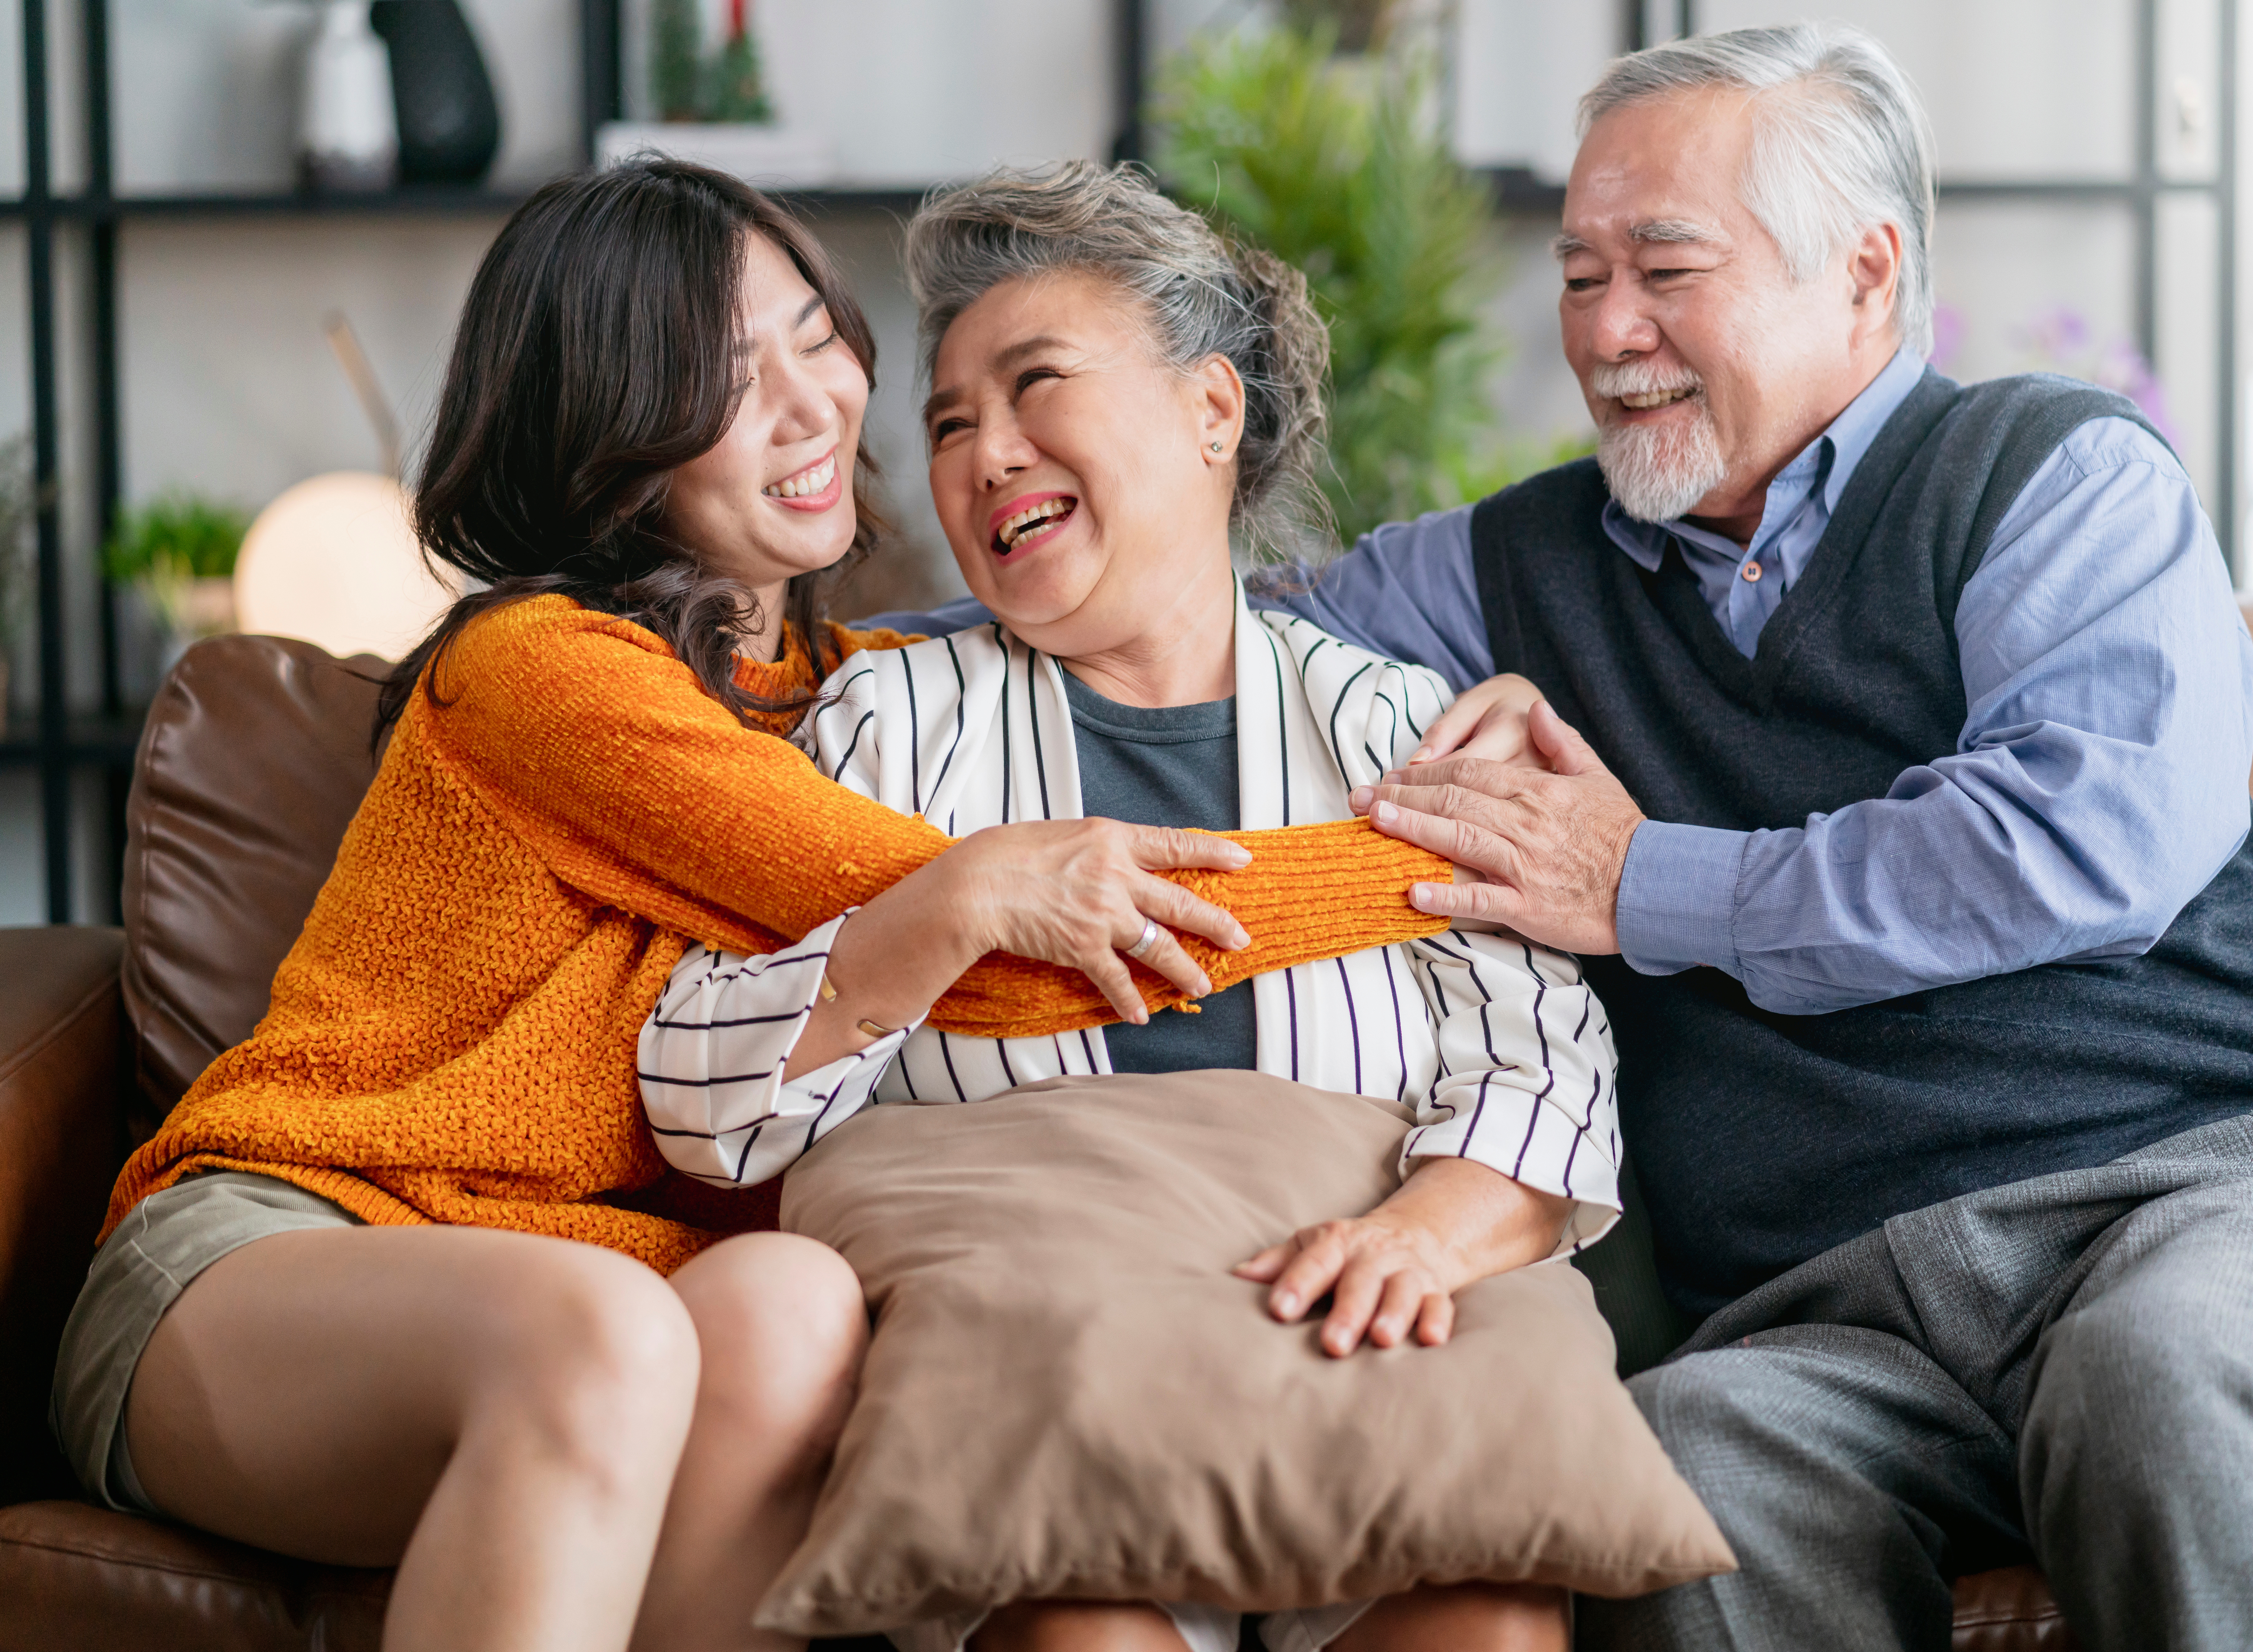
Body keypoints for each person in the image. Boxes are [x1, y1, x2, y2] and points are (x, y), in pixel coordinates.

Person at [51, 160, 1462, 1652]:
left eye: (817, 335)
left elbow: (1182, 602)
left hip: (613, 1308)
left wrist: (1457, 733)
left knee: (794, 1295)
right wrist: (1449, 864)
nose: (812, 408)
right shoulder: (549, 671)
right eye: (725, 381)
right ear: (614, 436)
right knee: (599, 1337)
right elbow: (992, 957)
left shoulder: (852, 693)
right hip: (276, 1260)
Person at [1255, 24, 2253, 1652]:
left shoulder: (2052, 476)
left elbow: (2076, 836)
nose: (1607, 332)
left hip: (2201, 1206)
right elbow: (1192, 647)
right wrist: (821, 661)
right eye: (1581, 273)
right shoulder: (1510, 569)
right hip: (1830, 1317)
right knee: (1678, 1487)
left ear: (1866, 275)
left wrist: (1641, 881)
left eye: (1667, 270)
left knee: (2155, 1385)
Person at [638, 161, 1610, 1652]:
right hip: (1050, 1414)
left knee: (1486, 1617)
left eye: (1036, 387)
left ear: (1210, 413)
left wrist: (1422, 1237)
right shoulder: (885, 730)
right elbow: (700, 1094)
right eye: (950, 424)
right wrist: (950, 907)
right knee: (1076, 1630)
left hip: (1363, 1368)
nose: (982, 454)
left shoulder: (1397, 733)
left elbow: (1545, 1063)